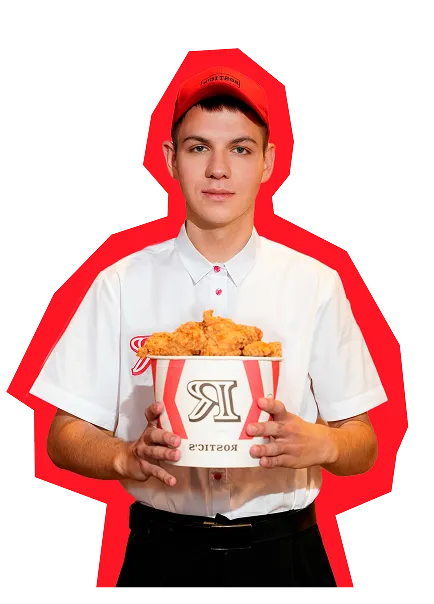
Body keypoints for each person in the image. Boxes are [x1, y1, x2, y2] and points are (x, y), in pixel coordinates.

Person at [29, 63, 387, 593]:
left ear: (268, 163)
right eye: (199, 148)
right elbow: (63, 436)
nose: (219, 169)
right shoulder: (119, 283)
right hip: (160, 556)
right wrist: (125, 456)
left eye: (240, 149)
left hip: (287, 556)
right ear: (170, 160)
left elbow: (364, 443)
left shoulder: (317, 283)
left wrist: (324, 444)